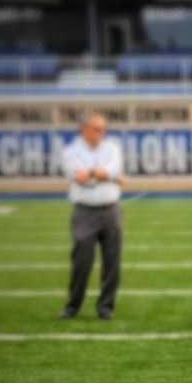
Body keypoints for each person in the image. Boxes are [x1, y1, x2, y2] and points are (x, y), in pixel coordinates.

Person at [60, 111, 125, 320]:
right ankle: (73, 306)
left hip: (111, 210)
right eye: (97, 129)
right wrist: (107, 176)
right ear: (84, 129)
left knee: (112, 262)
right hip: (84, 211)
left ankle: (106, 307)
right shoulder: (71, 151)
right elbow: (80, 178)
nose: (102, 132)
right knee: (81, 262)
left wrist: (99, 174)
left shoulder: (112, 147)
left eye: (103, 128)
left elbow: (113, 170)